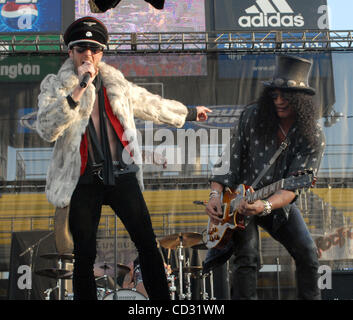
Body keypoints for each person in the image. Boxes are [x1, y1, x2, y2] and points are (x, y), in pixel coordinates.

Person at [35, 16, 210, 300]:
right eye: (81, 49)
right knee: (84, 253)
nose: (88, 55)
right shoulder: (56, 85)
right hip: (82, 178)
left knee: (147, 244)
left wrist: (188, 112)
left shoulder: (117, 83)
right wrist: (79, 88)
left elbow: (150, 103)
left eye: (94, 49)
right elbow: (46, 127)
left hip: (122, 174)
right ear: (71, 52)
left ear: (101, 53)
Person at [205, 55, 325, 300]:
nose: (279, 101)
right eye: (274, 95)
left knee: (308, 254)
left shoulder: (312, 135)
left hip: (277, 205)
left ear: (300, 100)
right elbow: (230, 159)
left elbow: (293, 187)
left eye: (286, 96)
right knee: (247, 258)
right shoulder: (252, 116)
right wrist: (215, 194)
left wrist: (266, 205)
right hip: (238, 202)